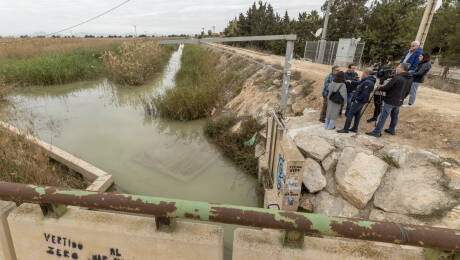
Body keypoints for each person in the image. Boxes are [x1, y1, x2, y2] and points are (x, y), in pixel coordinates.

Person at [366, 63, 413, 137]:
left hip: (390, 100)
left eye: (398, 67)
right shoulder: (410, 78)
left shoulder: (397, 77)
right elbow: (408, 90)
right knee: (394, 116)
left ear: (402, 68)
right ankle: (391, 129)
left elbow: (387, 87)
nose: (397, 68)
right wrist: (402, 98)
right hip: (399, 101)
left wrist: (380, 87)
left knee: (383, 116)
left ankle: (377, 132)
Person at [337, 68, 376, 134]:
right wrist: (351, 81)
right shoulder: (368, 80)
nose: (362, 74)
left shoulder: (368, 82)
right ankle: (355, 128)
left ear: (366, 73)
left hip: (359, 101)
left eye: (363, 73)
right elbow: (360, 82)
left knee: (350, 114)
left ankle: (345, 129)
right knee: (357, 114)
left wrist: (357, 99)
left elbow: (365, 93)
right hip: (362, 101)